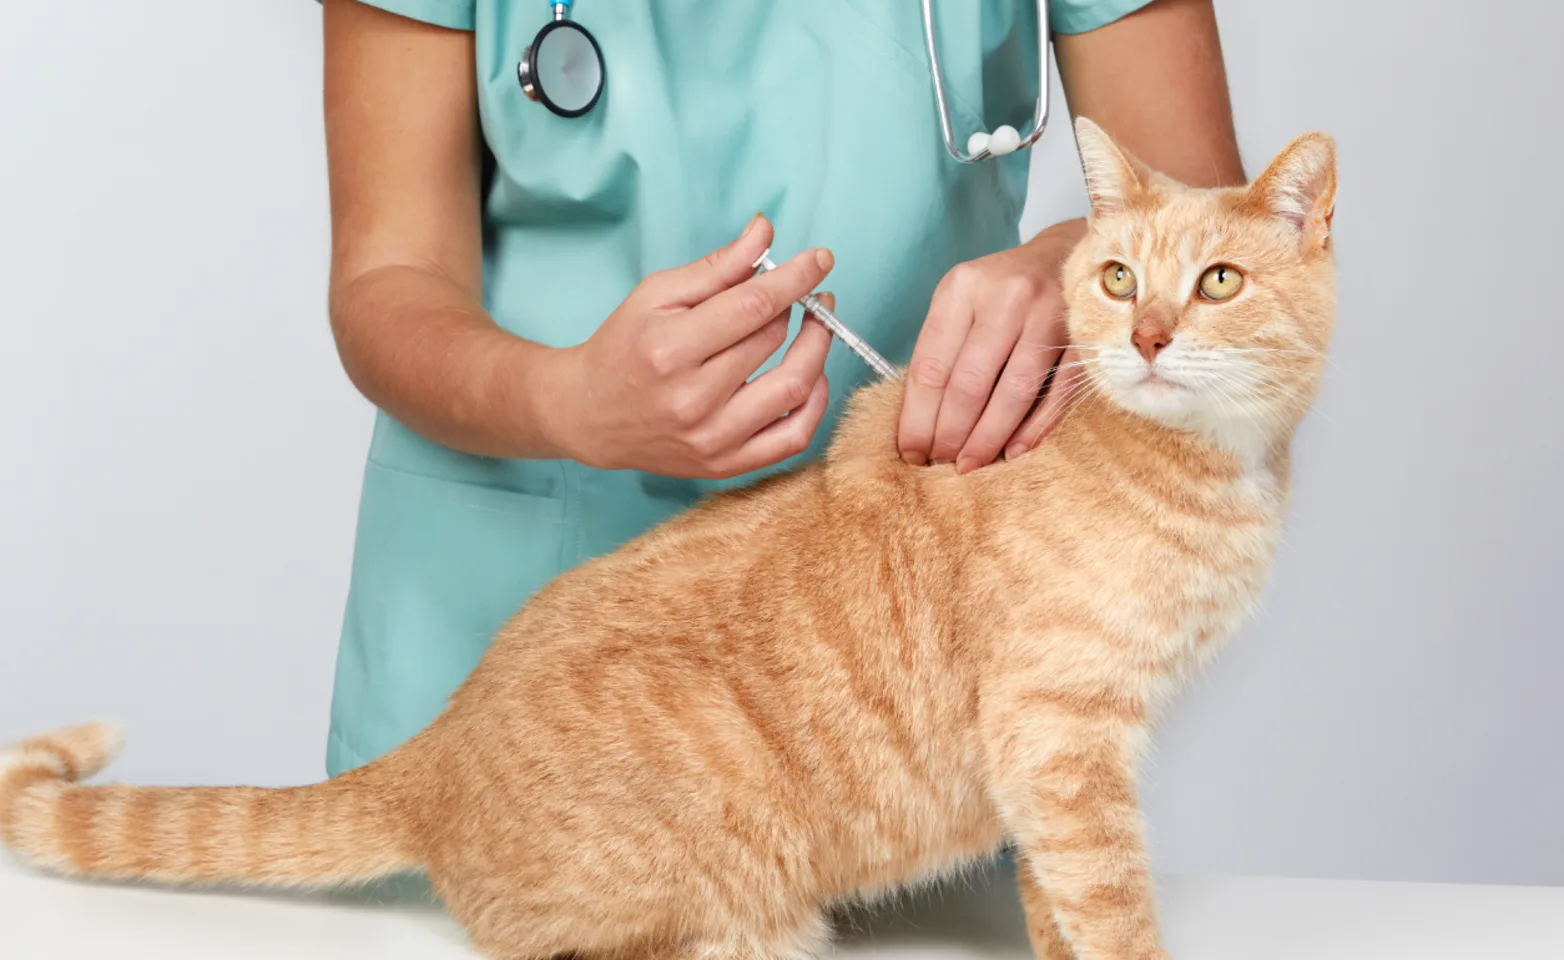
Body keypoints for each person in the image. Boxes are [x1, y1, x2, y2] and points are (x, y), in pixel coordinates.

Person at [320, 0, 1245, 777]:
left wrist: (1070, 266)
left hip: (912, 653)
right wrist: (564, 400)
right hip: (516, 654)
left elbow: (1204, 206)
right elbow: (387, 276)